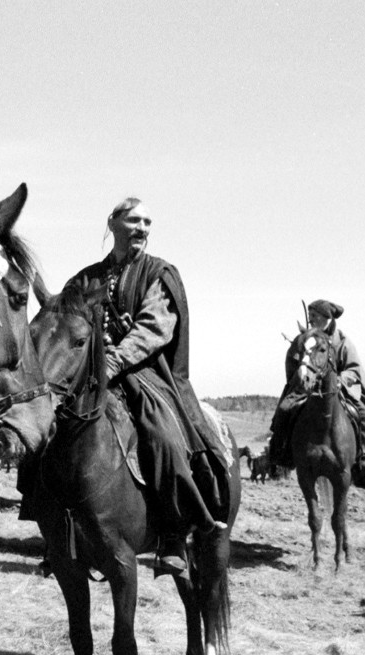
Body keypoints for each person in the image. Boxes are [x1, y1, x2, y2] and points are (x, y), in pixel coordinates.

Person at [63, 197, 227, 575]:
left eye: (148, 222)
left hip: (145, 375)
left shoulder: (160, 273)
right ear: (113, 222)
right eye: (134, 219)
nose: (142, 228)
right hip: (87, 374)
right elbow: (63, 322)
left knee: (163, 434)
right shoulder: (86, 278)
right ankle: (56, 529)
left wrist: (115, 360)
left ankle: (174, 532)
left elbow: (155, 329)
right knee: (49, 428)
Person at [269, 299, 365, 480]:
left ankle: (363, 456)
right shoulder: (306, 340)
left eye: (314, 316)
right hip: (306, 389)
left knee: (363, 414)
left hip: (339, 390)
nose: (311, 319)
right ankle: (280, 454)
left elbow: (354, 369)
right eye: (310, 316)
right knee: (284, 409)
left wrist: (339, 380)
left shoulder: (343, 341)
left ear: (326, 318)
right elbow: (293, 363)